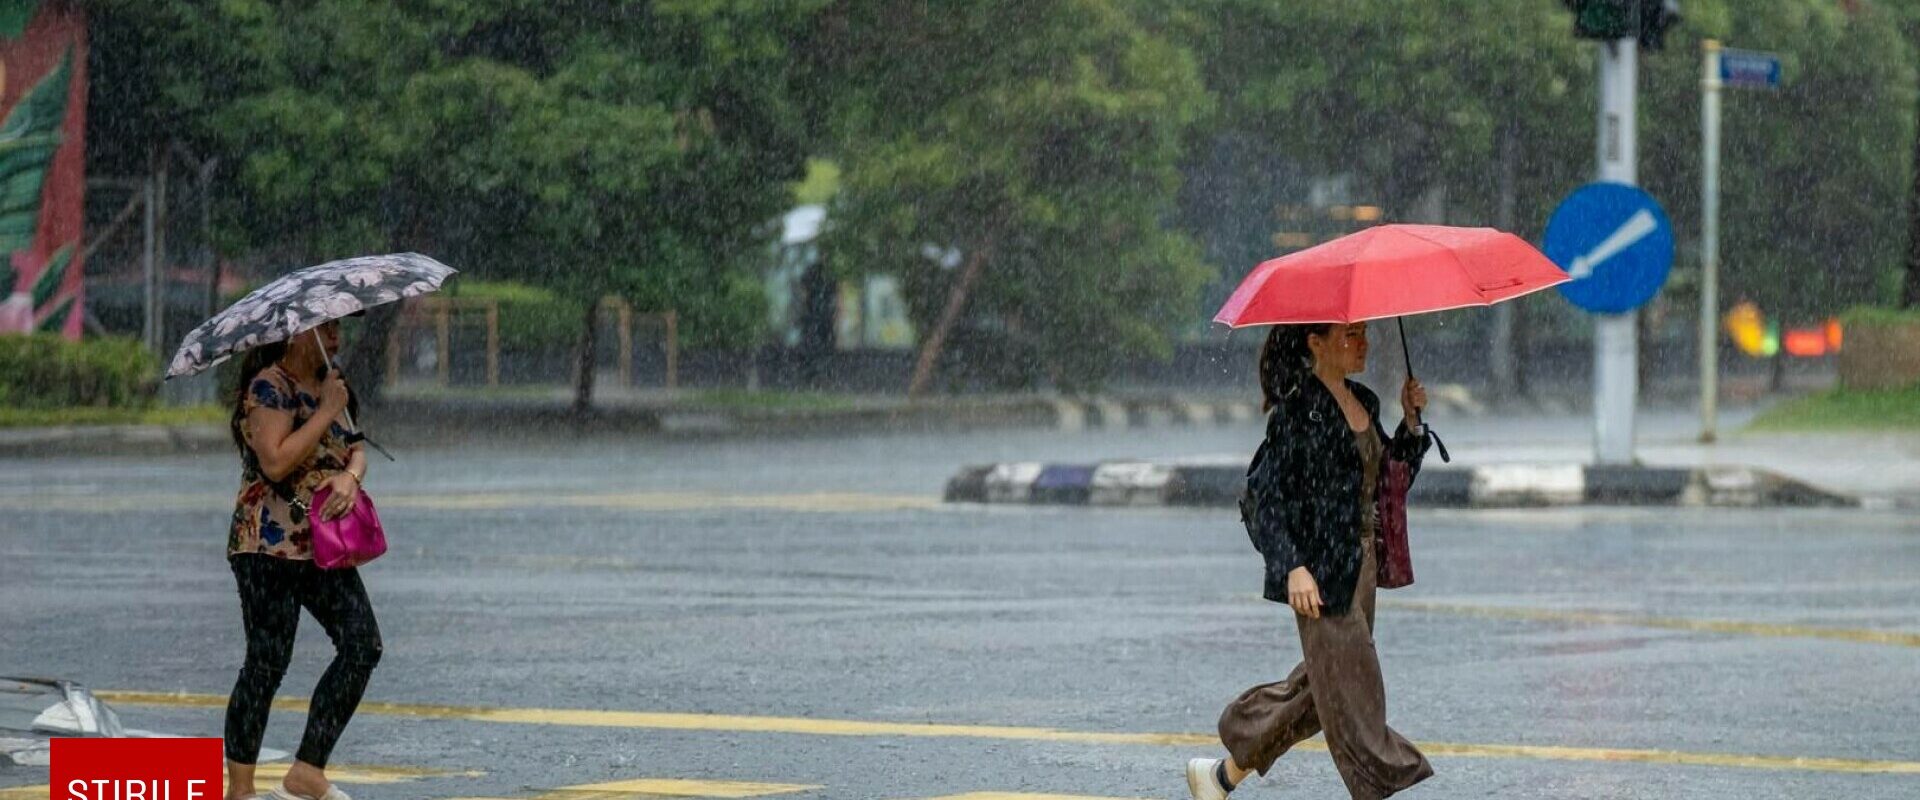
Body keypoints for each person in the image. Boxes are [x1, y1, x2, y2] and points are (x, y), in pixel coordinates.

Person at [1187, 321, 1433, 800]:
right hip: (1319, 575)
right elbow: (1263, 498)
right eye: (1349, 336)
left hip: (1361, 566)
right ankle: (1383, 782)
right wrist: (1292, 567)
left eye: (1363, 333)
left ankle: (1221, 776)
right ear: (1316, 345)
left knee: (1324, 692)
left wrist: (1411, 423)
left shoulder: (1364, 400)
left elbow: (1387, 478)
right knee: (1356, 690)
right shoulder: (1297, 412)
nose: (1362, 343)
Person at [222, 319, 379, 800]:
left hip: (322, 543)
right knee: (267, 661)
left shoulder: (333, 383)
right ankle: (241, 788)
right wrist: (325, 409)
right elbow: (275, 460)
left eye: (337, 330)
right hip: (267, 544)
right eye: (326, 331)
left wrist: (351, 476)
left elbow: (355, 448)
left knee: (362, 645)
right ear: (297, 335)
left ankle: (307, 770)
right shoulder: (269, 386)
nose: (335, 339)